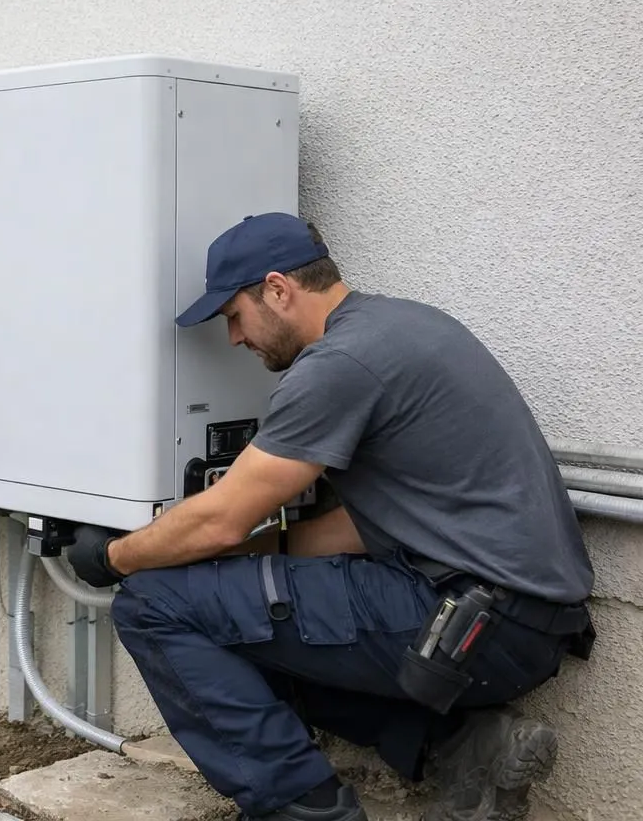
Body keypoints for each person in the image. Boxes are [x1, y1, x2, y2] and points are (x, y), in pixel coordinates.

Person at [65, 212, 596, 821]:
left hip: (468, 624)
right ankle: (464, 747)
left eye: (234, 316)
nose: (235, 338)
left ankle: (304, 809)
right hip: (520, 625)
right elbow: (342, 532)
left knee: (152, 604)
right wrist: (232, 564)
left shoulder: (340, 364)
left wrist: (112, 557)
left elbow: (222, 519)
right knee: (238, 620)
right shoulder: (404, 325)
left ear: (277, 289)